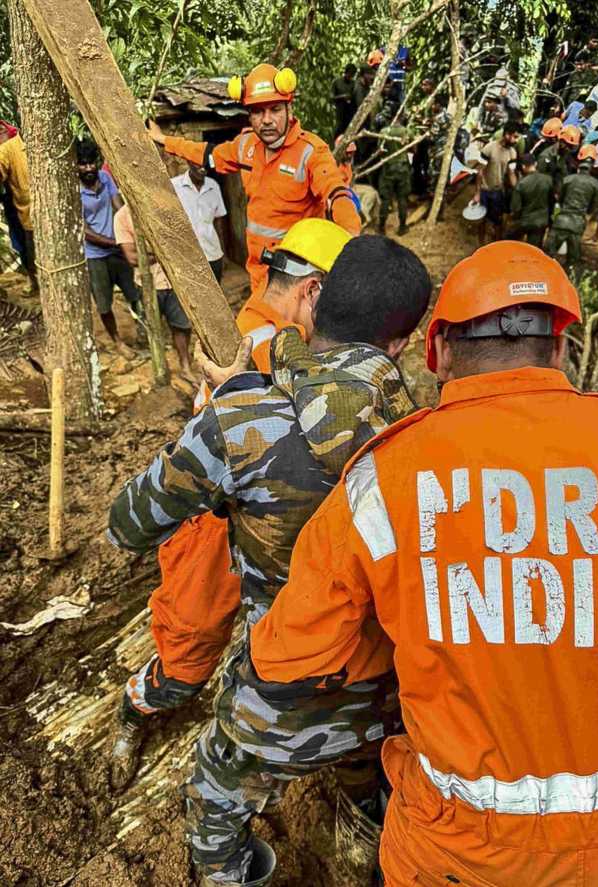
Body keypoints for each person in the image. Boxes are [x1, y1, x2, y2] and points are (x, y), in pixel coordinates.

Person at [250, 240, 598, 887]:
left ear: (436, 353)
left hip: (462, 858)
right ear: (561, 349)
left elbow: (285, 659)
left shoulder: (386, 479)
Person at [108, 235, 433, 885]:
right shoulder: (435, 435)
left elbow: (128, 525)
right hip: (390, 697)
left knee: (214, 798)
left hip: (275, 694)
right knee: (374, 781)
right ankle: (365, 828)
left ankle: (231, 871)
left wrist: (236, 411)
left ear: (313, 300)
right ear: (403, 344)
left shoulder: (242, 419)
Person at [106, 218, 353, 792]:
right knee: (188, 650)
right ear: (312, 289)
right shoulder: (252, 342)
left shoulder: (279, 335)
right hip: (218, 525)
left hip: (282, 522)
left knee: (278, 640)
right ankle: (139, 705)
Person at [147, 63, 360, 296]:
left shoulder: (310, 151)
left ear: (290, 109)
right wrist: (164, 140)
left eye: (275, 109)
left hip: (298, 276)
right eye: (257, 111)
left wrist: (352, 243)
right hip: (259, 271)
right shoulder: (247, 145)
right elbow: (208, 154)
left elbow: (336, 192)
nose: (266, 120)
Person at [113, 204, 194, 377]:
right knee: (153, 328)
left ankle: (185, 367)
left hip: (174, 281)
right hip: (148, 284)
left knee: (182, 326)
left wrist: (153, 252)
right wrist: (162, 253)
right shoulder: (122, 217)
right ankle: (160, 370)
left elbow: (180, 243)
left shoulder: (162, 208)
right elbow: (133, 258)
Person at [78, 140, 141, 358]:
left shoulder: (105, 179)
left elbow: (119, 206)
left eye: (91, 163)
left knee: (135, 293)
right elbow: (84, 231)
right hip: (95, 256)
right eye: (83, 164)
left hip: (118, 250)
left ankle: (142, 331)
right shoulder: (75, 192)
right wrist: (116, 242)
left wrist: (130, 229)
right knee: (104, 303)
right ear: (76, 166)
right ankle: (117, 341)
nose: (88, 168)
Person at [171, 161, 227, 283]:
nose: (203, 169)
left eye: (206, 165)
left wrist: (222, 252)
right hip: (188, 257)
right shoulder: (174, 186)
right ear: (189, 162)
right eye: (198, 164)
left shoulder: (213, 186)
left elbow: (218, 221)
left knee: (215, 295)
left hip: (213, 253)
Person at [546, 150, 598, 270]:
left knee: (546, 255)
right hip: (577, 224)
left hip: (561, 220)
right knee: (572, 260)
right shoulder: (595, 184)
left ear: (578, 165)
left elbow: (559, 200)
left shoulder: (568, 179)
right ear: (591, 167)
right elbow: (592, 208)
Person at [0, 123, 36, 290]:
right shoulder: (8, 148)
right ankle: (33, 279)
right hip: (20, 205)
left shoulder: (7, 132)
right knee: (26, 246)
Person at [472, 121, 521, 243]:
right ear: (507, 135)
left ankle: (496, 245)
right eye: (515, 136)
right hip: (484, 189)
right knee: (481, 219)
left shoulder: (512, 153)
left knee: (498, 221)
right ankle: (481, 245)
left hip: (498, 191)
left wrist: (518, 190)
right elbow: (480, 171)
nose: (516, 140)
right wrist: (477, 193)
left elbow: (511, 173)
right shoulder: (489, 148)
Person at [378, 115, 413, 236]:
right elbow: (413, 148)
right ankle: (402, 227)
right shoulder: (406, 131)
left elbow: (380, 151)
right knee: (402, 198)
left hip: (388, 169)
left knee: (386, 199)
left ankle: (381, 227)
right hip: (402, 169)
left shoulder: (383, 132)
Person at [509, 153, 553, 248]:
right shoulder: (548, 180)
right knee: (534, 250)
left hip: (525, 221)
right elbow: (552, 202)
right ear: (536, 164)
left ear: (523, 166)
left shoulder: (521, 184)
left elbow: (516, 208)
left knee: (510, 242)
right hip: (541, 222)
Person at [331, 63, 357, 137]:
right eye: (349, 74)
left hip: (350, 112)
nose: (350, 77)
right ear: (346, 72)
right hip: (340, 112)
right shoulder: (337, 82)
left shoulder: (354, 83)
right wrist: (342, 97)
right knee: (338, 130)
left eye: (352, 75)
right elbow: (331, 98)